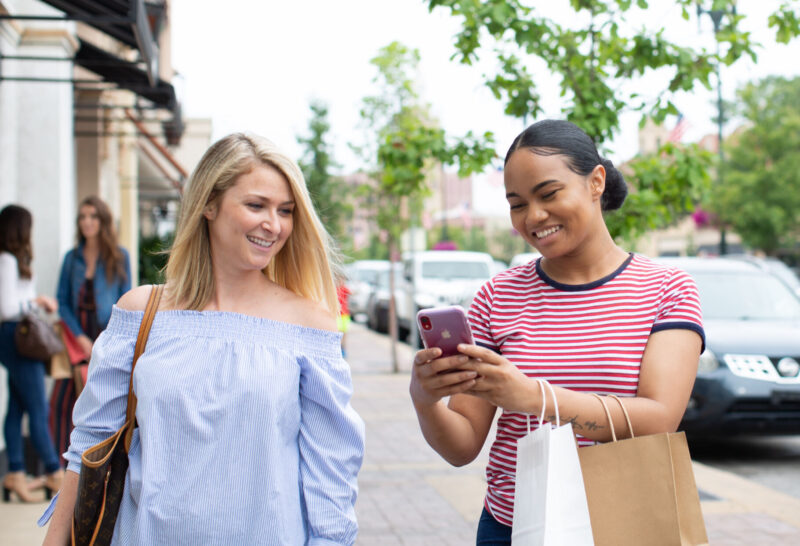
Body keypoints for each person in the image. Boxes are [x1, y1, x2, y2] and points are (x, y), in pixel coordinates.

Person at [41, 133, 365, 545]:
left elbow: (330, 481)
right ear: (208, 204)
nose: (275, 224)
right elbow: (88, 445)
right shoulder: (141, 315)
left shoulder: (310, 328)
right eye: (256, 205)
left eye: (285, 210)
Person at [409, 119, 705, 544]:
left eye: (548, 194)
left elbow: (659, 419)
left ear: (596, 182)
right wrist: (425, 400)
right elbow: (461, 447)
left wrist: (530, 396)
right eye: (517, 204)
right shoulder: (498, 295)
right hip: (514, 527)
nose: (534, 216)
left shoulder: (666, 289)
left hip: (627, 524)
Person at [50, 196, 131, 467]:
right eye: (83, 217)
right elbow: (62, 301)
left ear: (103, 221)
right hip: (75, 337)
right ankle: (62, 466)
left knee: (102, 397)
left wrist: (104, 339)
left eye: (93, 216)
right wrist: (80, 338)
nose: (87, 222)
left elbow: (125, 300)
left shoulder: (119, 257)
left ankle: (98, 463)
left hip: (105, 335)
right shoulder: (72, 259)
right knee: (62, 400)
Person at [0, 204, 64, 502]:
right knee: (39, 406)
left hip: (18, 338)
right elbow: (7, 309)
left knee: (17, 406)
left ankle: (15, 472)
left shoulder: (18, 260)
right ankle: (54, 472)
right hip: (16, 337)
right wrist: (37, 302)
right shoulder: (6, 261)